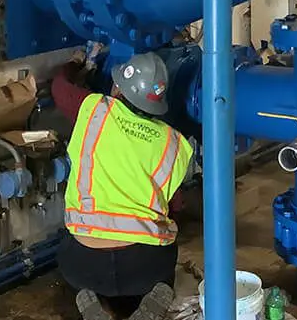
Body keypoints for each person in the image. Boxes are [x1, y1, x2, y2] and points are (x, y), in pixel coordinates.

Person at [52, 52, 193, 320]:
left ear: (118, 87)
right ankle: (152, 300)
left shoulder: (93, 109)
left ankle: (90, 301)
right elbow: (176, 208)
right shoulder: (173, 142)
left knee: (70, 265)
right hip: (143, 267)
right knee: (165, 261)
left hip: (84, 262)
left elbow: (59, 87)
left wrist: (75, 63)